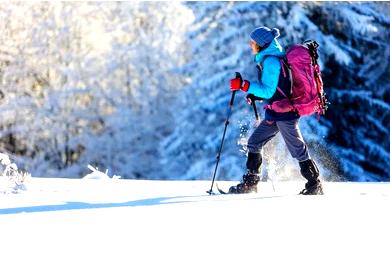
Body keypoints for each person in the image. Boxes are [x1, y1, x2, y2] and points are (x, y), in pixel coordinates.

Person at [229, 26, 323, 195]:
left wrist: (244, 85)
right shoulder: (270, 59)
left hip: (285, 115)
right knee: (254, 142)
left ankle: (315, 184)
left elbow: (268, 91)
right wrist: (254, 94)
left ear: (262, 44)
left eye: (253, 42)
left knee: (298, 150)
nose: (250, 45)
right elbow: (277, 89)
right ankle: (251, 183)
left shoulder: (271, 61)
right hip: (275, 112)